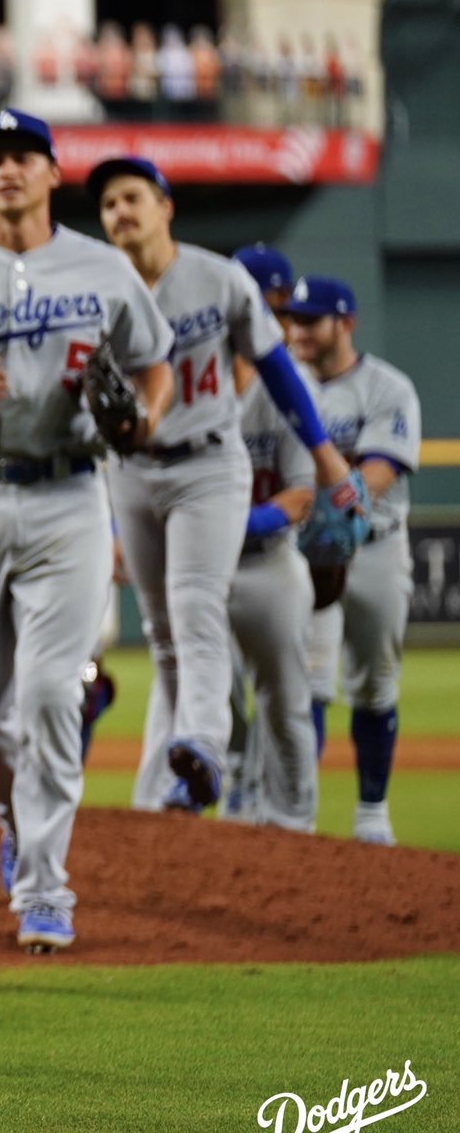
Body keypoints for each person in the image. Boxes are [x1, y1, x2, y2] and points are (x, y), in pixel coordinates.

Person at [0, 111, 173, 954]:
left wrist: (145, 423)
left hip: (69, 493)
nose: (5, 170)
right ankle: (18, 816)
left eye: (22, 157)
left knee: (53, 693)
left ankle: (46, 886)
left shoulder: (101, 266)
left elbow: (154, 364)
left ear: (53, 173)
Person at [88, 155, 352, 811]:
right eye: (109, 204)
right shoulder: (94, 288)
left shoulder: (217, 277)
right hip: (133, 468)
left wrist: (326, 456)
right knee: (162, 634)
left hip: (208, 463)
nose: (121, 212)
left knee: (195, 602)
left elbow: (279, 369)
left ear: (165, 206)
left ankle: (203, 744)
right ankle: (173, 790)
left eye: (132, 198)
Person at [286, 277, 420, 845]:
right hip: (305, 555)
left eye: (312, 321)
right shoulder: (283, 383)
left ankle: (372, 814)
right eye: (293, 319)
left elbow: (377, 477)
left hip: (376, 548)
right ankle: (301, 817)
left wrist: (324, 503)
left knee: (374, 683)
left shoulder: (387, 386)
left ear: (346, 323)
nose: (299, 331)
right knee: (308, 683)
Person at [222, 339, 320, 831]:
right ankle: (237, 780)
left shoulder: (281, 392)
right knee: (208, 689)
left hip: (271, 561)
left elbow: (300, 496)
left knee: (284, 702)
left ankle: (293, 821)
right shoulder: (186, 394)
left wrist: (225, 523)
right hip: (206, 567)